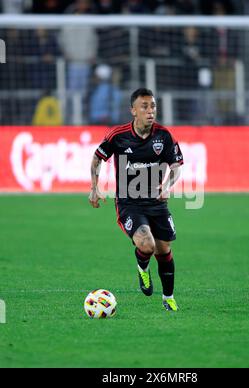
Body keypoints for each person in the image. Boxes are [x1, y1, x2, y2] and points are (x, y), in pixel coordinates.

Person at [89, 88, 184, 311]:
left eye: (153, 106)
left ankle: (168, 298)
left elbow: (176, 166)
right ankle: (143, 267)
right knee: (146, 243)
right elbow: (97, 158)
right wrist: (94, 188)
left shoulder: (164, 136)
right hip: (129, 202)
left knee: (164, 250)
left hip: (157, 202)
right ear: (133, 110)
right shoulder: (118, 136)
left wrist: (168, 186)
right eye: (144, 107)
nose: (150, 111)